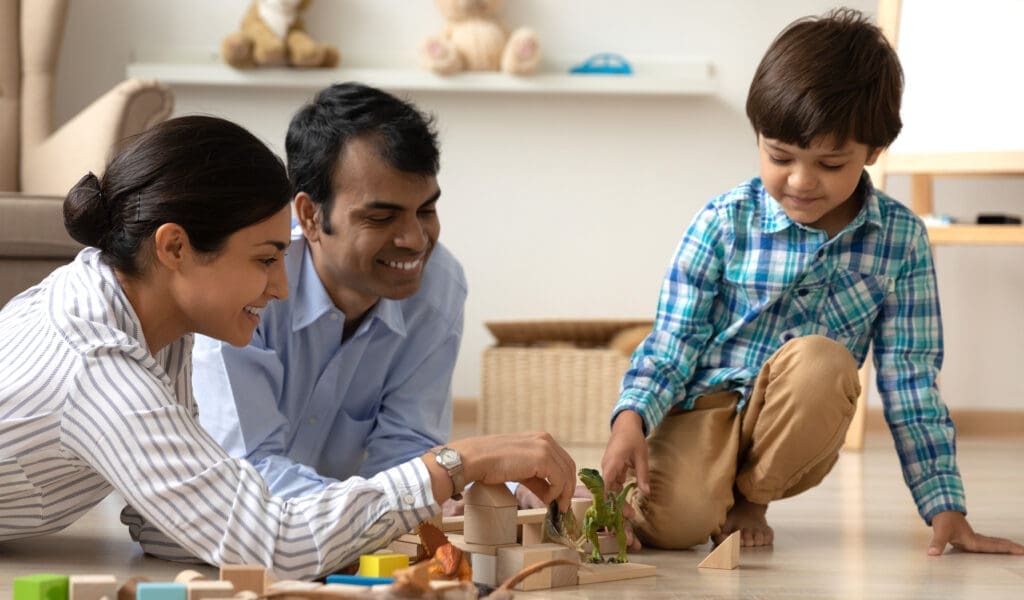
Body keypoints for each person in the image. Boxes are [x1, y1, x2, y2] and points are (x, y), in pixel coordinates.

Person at [0, 115, 577, 580]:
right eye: (265, 259)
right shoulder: (98, 363)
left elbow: (166, 520)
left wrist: (341, 530)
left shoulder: (148, 317)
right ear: (174, 248)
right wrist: (457, 463)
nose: (280, 287)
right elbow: (271, 543)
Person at [600, 8, 1024, 557]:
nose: (800, 181)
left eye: (829, 164)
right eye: (780, 157)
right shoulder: (723, 221)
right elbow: (672, 342)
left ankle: (750, 499)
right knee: (672, 530)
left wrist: (945, 507)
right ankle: (683, 495)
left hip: (801, 412)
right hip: (702, 405)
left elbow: (911, 380)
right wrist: (631, 417)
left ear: (873, 152)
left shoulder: (901, 241)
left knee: (825, 361)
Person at [191, 82, 547, 510]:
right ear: (309, 215)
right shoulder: (247, 284)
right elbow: (248, 475)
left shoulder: (438, 286)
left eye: (427, 210)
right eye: (381, 217)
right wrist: (405, 496)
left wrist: (507, 488)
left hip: (346, 528)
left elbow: (409, 455)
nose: (415, 241)